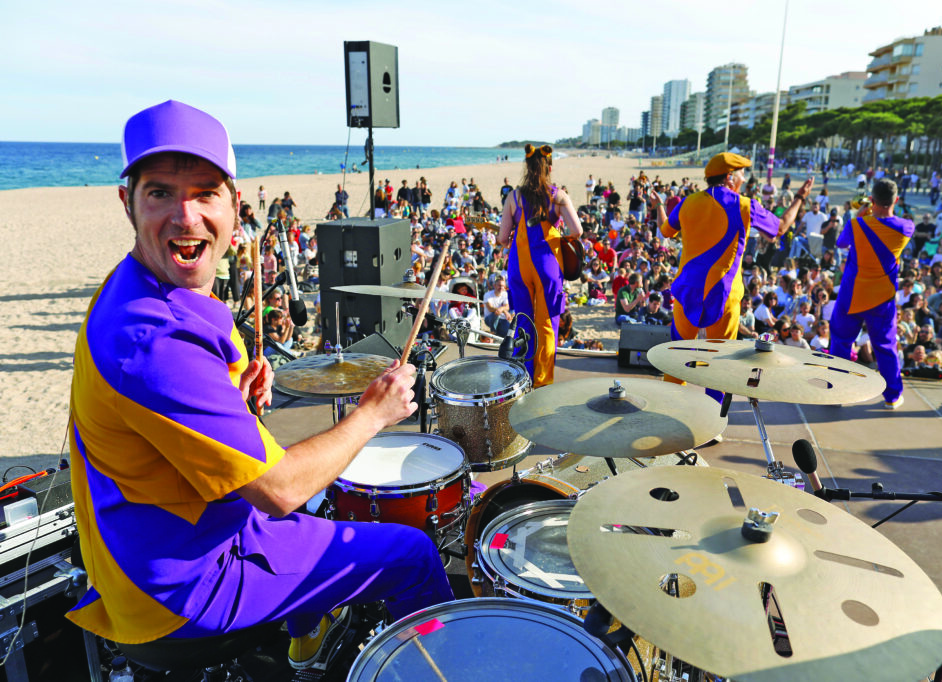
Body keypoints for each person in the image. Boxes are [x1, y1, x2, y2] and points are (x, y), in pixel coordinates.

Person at [66, 101, 453, 670]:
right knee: (413, 552)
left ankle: (306, 637)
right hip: (182, 583)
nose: (186, 216)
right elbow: (279, 490)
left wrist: (230, 391)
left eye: (204, 192)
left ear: (233, 204)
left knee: (320, 519)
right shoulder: (152, 343)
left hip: (149, 540)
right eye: (161, 194)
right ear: (127, 203)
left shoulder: (136, 283)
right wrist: (374, 412)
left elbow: (164, 413)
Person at [650, 152, 811, 349]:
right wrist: (800, 197)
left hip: (687, 290)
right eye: (742, 174)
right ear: (729, 176)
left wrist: (658, 204)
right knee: (718, 361)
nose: (743, 179)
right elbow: (781, 227)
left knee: (677, 357)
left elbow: (665, 229)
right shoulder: (745, 205)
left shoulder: (688, 203)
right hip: (723, 294)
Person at [497, 144, 583, 386]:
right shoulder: (558, 196)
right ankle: (543, 381)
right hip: (548, 266)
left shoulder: (513, 197)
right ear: (550, 167)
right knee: (546, 325)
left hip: (519, 267)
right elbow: (577, 231)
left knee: (524, 321)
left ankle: (523, 378)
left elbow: (503, 238)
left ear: (526, 167)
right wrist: (555, 232)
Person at [828, 178, 915, 409]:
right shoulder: (907, 227)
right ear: (896, 200)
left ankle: (835, 393)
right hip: (882, 297)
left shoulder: (857, 225)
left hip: (851, 294)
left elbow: (840, 243)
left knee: (841, 342)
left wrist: (861, 215)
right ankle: (892, 396)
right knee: (885, 347)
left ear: (872, 200)